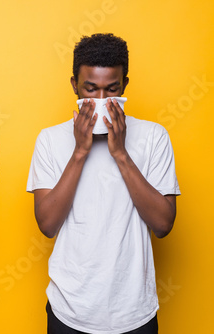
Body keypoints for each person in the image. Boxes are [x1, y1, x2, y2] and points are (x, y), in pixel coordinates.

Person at [27, 33, 180, 333]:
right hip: (69, 311)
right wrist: (80, 151)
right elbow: (47, 224)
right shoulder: (49, 140)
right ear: (74, 85)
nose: (100, 101)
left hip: (134, 313)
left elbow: (163, 224)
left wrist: (121, 153)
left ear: (124, 85)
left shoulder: (154, 137)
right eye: (90, 89)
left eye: (111, 90)